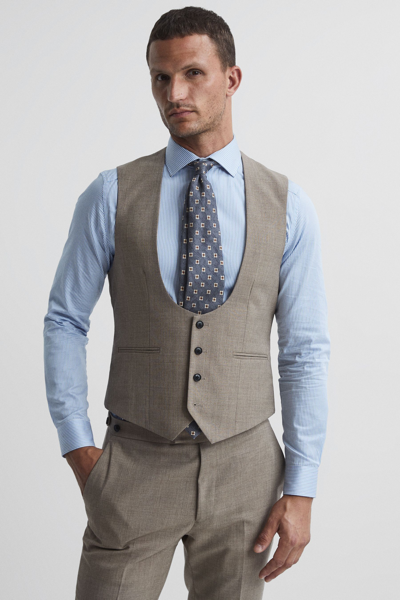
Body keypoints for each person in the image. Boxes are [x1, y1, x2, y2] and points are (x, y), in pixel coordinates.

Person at [43, 6, 330, 599]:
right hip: (134, 463)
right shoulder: (110, 195)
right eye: (160, 78)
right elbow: (65, 320)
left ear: (232, 78)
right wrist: (79, 448)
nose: (174, 93)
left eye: (193, 73)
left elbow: (303, 350)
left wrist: (301, 487)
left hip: (247, 472)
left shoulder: (288, 204)